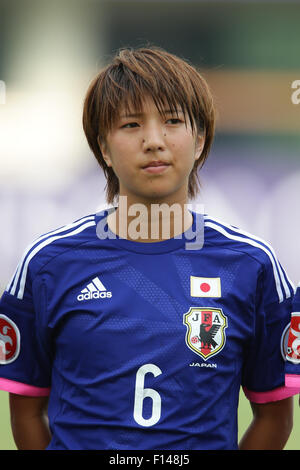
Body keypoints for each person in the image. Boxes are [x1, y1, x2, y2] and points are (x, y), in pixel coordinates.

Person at [0, 46, 298, 450]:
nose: (153, 141)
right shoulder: (48, 264)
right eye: (130, 125)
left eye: (173, 121)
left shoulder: (253, 265)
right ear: (103, 147)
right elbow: (27, 409)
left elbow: (275, 417)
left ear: (199, 140)